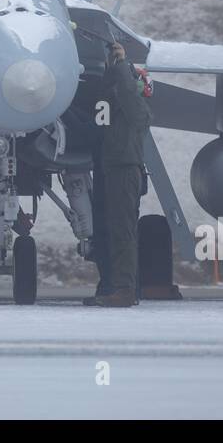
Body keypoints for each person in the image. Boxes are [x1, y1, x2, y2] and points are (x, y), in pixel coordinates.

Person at [85, 42, 151, 307]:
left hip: (124, 171)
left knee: (122, 231)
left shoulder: (138, 112)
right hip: (108, 168)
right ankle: (110, 285)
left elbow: (125, 91)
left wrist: (123, 65)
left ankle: (125, 289)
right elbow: (106, 97)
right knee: (106, 230)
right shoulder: (114, 110)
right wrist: (112, 69)